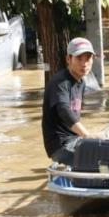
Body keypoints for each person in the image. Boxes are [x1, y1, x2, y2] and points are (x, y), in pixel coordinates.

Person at [41, 37, 101, 165]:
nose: (84, 63)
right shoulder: (60, 82)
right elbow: (64, 111)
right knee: (99, 164)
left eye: (88, 58)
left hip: (75, 139)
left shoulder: (81, 82)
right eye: (79, 58)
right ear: (68, 59)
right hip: (60, 145)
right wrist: (86, 135)